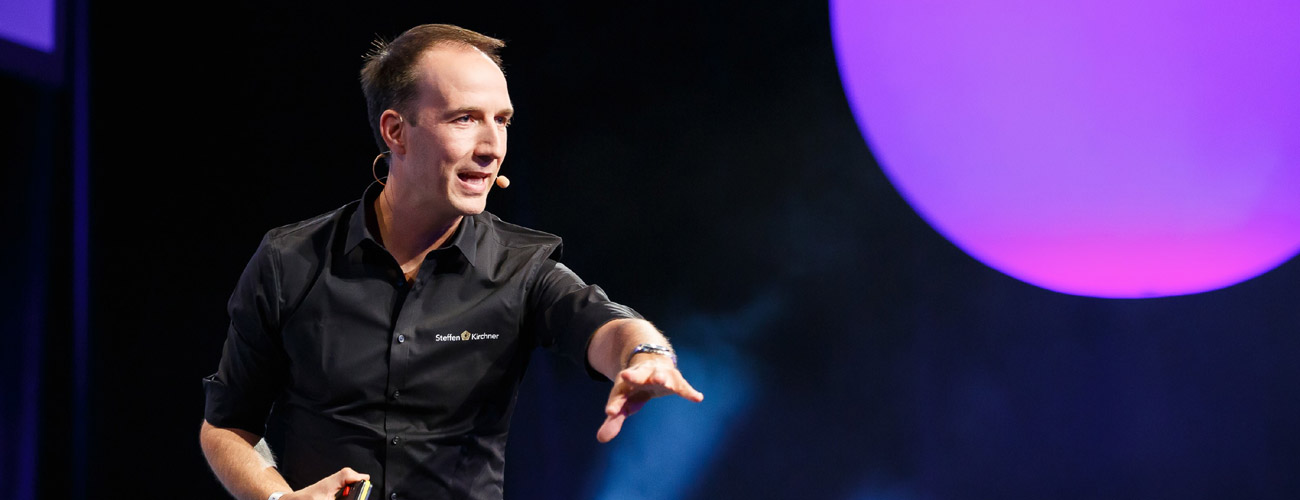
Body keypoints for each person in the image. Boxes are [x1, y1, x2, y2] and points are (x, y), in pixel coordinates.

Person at [199, 24, 703, 500]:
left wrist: (646, 356)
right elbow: (226, 425)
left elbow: (605, 324)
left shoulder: (522, 267)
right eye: (465, 119)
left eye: (502, 121)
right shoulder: (289, 261)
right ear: (396, 131)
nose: (492, 147)